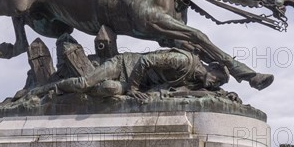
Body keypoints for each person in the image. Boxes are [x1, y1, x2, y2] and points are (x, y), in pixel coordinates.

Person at [48, 48, 229, 99]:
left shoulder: (194, 81)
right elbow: (146, 61)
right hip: (124, 65)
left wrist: (229, 95)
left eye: (219, 85)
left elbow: (205, 95)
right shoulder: (183, 61)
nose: (216, 84)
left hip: (134, 83)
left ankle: (76, 97)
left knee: (109, 89)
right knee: (84, 83)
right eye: (218, 80)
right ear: (211, 68)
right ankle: (51, 88)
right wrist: (133, 88)